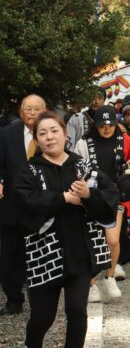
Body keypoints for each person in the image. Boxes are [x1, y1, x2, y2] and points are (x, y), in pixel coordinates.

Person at [15, 111, 118, 348]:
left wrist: (88, 195)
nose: (49, 137)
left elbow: (110, 197)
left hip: (80, 251)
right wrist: (63, 198)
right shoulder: (29, 171)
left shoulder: (83, 166)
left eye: (54, 131)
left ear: (65, 134)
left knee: (77, 312)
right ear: (36, 139)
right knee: (42, 317)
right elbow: (25, 204)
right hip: (44, 255)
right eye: (43, 133)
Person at [74, 106, 130, 301]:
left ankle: (110, 276)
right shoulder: (83, 142)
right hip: (92, 194)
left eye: (110, 124)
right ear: (94, 125)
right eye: (102, 125)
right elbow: (76, 166)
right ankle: (91, 284)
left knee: (113, 240)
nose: (106, 128)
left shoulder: (124, 139)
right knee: (92, 241)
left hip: (116, 194)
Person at [0, 94, 46, 316]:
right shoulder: (7, 134)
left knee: (40, 254)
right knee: (9, 254)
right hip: (11, 204)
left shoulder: (51, 133)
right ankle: (13, 299)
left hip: (42, 206)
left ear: (44, 110)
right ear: (20, 112)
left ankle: (41, 301)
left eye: (37, 108)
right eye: (27, 108)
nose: (32, 112)